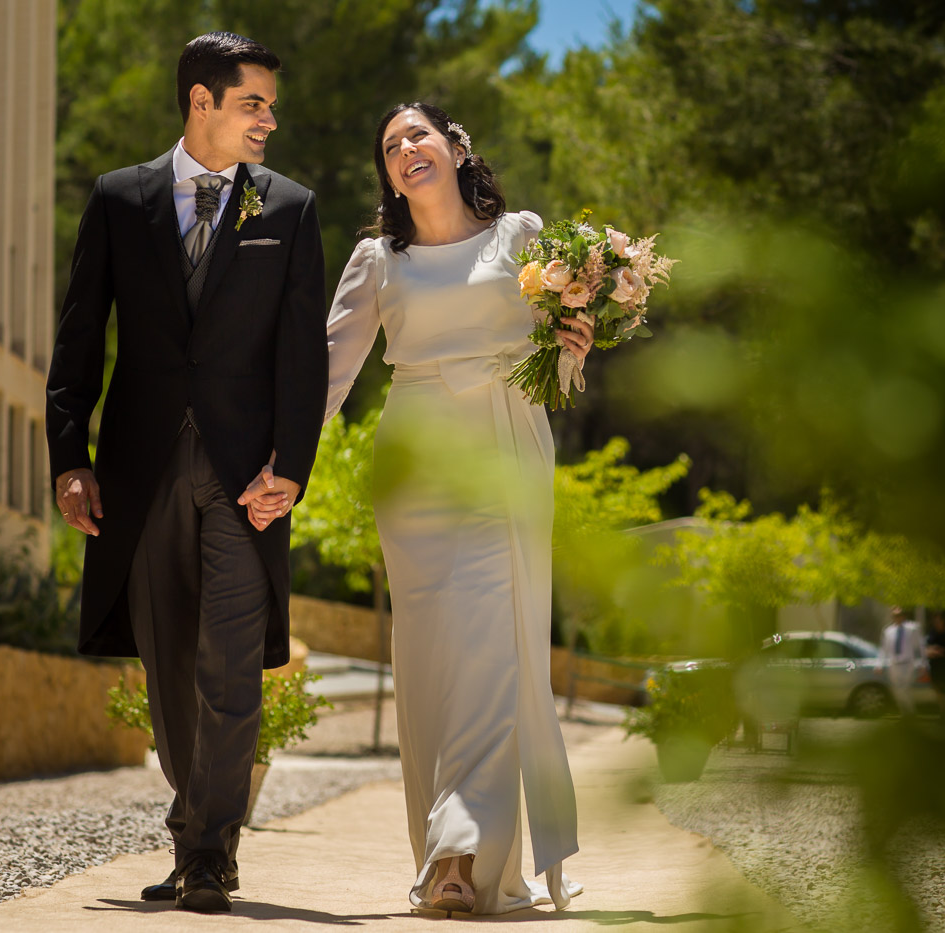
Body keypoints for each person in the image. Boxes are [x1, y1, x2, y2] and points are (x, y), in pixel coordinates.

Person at [45, 32, 327, 913]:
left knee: (231, 665)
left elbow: (303, 357)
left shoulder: (289, 208)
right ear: (201, 101)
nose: (269, 121)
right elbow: (79, 336)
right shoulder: (119, 198)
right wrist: (69, 456)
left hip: (248, 477)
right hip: (142, 468)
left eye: (271, 106)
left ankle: (205, 851)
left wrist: (293, 467)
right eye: (253, 103)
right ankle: (198, 823)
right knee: (168, 665)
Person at [323, 101, 590, 915]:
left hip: (506, 448)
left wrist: (575, 348)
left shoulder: (522, 237)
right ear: (389, 175)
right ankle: (446, 848)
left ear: (456, 148)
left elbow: (554, 364)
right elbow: (327, 373)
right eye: (391, 146)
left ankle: (460, 857)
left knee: (490, 650)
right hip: (415, 461)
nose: (406, 148)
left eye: (419, 135)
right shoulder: (378, 260)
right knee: (431, 657)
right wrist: (278, 468)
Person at [878, 605, 924, 716]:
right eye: (895, 616)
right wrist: (879, 664)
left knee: (904, 689)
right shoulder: (888, 631)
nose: (897, 618)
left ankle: (911, 713)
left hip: (907, 663)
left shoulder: (912, 629)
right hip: (894, 664)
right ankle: (905, 714)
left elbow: (920, 647)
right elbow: (884, 649)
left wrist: (922, 663)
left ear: (904, 616)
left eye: (899, 615)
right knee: (897, 690)